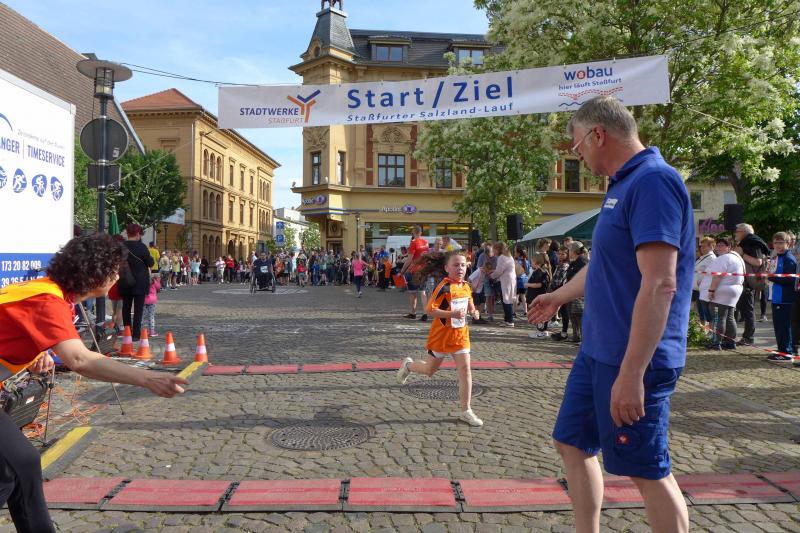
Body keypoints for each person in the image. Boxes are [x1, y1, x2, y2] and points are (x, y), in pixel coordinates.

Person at [528, 96, 694, 533]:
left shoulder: (653, 181)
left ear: (598, 134)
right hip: (598, 352)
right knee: (571, 443)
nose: (577, 154)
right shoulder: (623, 184)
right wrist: (558, 297)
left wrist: (633, 373)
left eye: (577, 144)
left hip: (632, 359)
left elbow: (660, 283)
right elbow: (604, 265)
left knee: (647, 470)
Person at [0, 234, 187, 533]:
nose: (117, 277)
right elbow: (80, 359)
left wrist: (36, 353)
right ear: (94, 272)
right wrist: (147, 378)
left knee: (11, 471)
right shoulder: (48, 300)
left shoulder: (49, 293)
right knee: (22, 463)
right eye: (114, 270)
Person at [396, 251, 483, 426]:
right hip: (441, 336)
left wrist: (474, 312)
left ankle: (466, 411)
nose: (460, 268)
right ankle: (408, 366)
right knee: (429, 371)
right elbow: (430, 309)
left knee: (465, 370)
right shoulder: (443, 286)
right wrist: (452, 314)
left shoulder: (466, 286)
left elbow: (470, 304)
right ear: (447, 268)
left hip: (460, 336)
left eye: (463, 265)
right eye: (456, 265)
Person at [699, 237, 744, 350]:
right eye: (718, 245)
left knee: (718, 318)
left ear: (729, 247)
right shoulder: (736, 258)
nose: (719, 248)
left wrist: (711, 290)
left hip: (721, 292)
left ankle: (716, 342)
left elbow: (717, 276)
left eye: (722, 245)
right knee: (729, 317)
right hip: (732, 291)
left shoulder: (723, 258)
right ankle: (730, 342)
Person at [734, 223, 770, 345]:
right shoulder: (747, 242)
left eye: (737, 231)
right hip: (744, 281)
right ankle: (745, 337)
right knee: (744, 310)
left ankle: (748, 338)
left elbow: (758, 262)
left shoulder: (752, 243)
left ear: (744, 232)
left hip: (749, 283)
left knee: (748, 310)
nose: (735, 233)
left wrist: (742, 254)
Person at [119, 224, 155, 341]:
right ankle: (135, 335)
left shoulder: (121, 246)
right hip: (140, 282)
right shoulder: (142, 247)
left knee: (126, 308)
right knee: (138, 309)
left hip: (125, 280)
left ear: (127, 233)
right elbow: (150, 263)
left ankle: (127, 332)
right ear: (138, 234)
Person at [766, 232, 797, 362]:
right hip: (777, 297)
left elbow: (790, 280)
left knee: (783, 326)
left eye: (781, 243)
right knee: (779, 326)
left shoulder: (788, 259)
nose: (778, 245)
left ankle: (786, 352)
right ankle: (782, 349)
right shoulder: (776, 257)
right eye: (775, 243)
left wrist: (771, 277)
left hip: (785, 298)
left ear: (788, 244)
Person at [399, 226, 430, 321]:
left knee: (412, 293)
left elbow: (409, 259)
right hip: (424, 270)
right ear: (421, 232)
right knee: (423, 292)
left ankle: (413, 313)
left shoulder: (413, 243)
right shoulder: (426, 243)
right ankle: (425, 313)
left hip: (414, 270)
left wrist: (402, 271)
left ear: (413, 233)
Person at [565, 242, 589, 343]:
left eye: (569, 250)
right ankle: (576, 336)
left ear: (574, 251)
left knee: (579, 316)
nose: (568, 252)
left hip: (579, 294)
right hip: (572, 293)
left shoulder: (582, 261)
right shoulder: (575, 261)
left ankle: (584, 339)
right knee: (573, 315)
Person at [489, 242, 516, 327]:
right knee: (507, 299)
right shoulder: (509, 256)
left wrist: (491, 276)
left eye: (494, 249)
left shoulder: (501, 257)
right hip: (510, 279)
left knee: (506, 300)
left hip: (506, 280)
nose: (493, 251)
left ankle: (509, 321)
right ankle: (507, 320)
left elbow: (499, 271)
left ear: (498, 249)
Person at [526, 252, 552, 338]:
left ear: (536, 262)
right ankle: (540, 330)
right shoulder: (538, 271)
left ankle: (542, 331)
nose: (531, 263)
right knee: (538, 313)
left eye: (532, 261)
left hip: (539, 296)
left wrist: (528, 284)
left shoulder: (541, 271)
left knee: (540, 314)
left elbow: (540, 284)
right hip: (536, 296)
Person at [693, 236, 717, 326]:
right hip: (698, 289)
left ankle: (709, 330)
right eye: (701, 246)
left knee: (706, 312)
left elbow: (711, 275)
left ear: (711, 246)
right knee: (701, 312)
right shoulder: (703, 257)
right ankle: (704, 330)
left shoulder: (712, 258)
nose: (701, 248)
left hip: (705, 289)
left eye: (704, 246)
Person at [142, 273, 161, 337]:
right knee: (151, 316)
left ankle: (138, 330)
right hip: (152, 300)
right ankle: (152, 331)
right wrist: (157, 280)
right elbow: (159, 288)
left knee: (141, 316)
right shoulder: (154, 281)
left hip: (143, 300)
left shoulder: (143, 280)